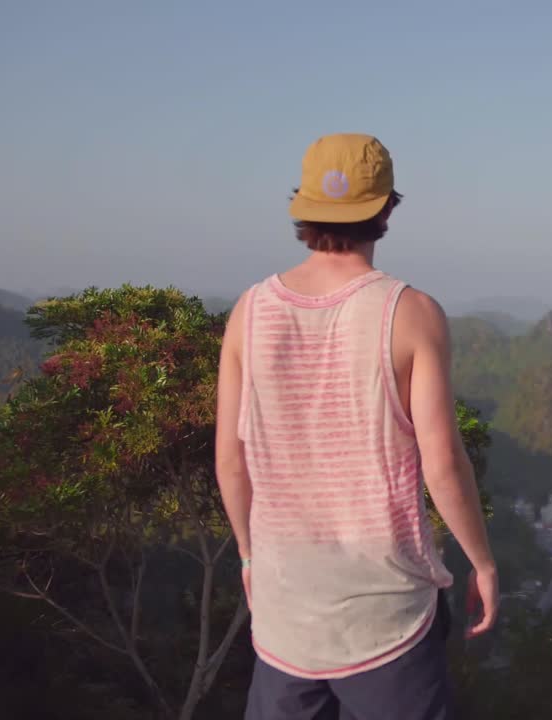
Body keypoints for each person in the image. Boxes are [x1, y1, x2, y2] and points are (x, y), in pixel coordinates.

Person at [215, 133, 498, 720]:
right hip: (387, 617)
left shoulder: (250, 311)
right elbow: (442, 465)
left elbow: (230, 460)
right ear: (387, 208)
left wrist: (248, 558)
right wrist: (483, 563)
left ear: (304, 205)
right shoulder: (410, 313)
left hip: (285, 613)